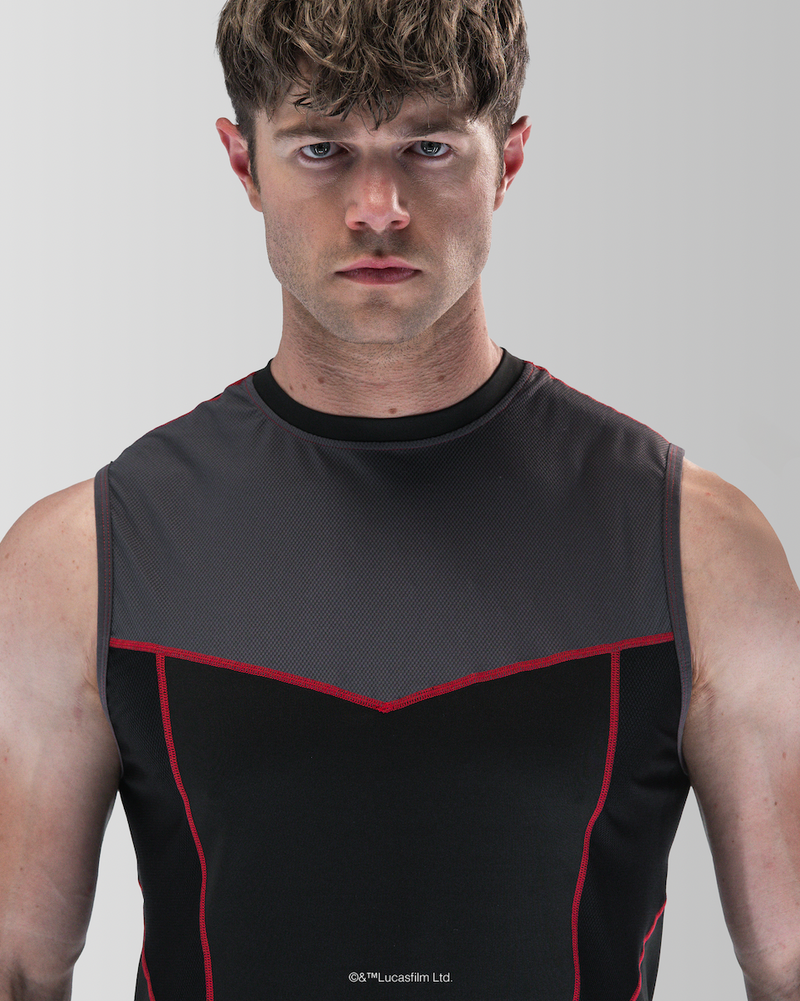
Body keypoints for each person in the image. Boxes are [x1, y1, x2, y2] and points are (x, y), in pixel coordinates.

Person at [1, 1, 798, 998]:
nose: (377, 207)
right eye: (321, 148)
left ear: (508, 160)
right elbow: (17, 966)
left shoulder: (695, 550)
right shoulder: (83, 559)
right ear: (243, 163)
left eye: (428, 146)